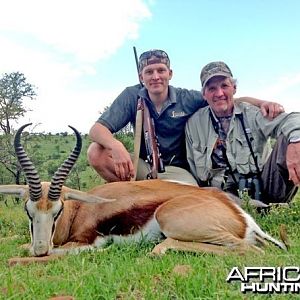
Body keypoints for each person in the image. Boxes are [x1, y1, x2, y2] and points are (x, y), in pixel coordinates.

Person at [88, 49, 284, 185]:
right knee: (96, 152)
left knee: (189, 193)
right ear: (141, 77)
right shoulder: (132, 96)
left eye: (161, 70)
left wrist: (261, 103)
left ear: (170, 74)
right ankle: (132, 200)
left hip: (178, 170)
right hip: (144, 166)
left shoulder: (187, 98)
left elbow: (227, 99)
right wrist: (117, 146)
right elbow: (96, 130)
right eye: (149, 72)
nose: (155, 76)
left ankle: (160, 200)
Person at [185, 61, 300, 204]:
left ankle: (269, 205)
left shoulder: (253, 113)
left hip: (266, 187)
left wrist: (296, 141)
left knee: (291, 137)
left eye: (224, 86)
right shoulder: (194, 124)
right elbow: (194, 171)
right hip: (222, 197)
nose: (219, 93)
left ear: (234, 88)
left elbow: (293, 119)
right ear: (204, 94)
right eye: (212, 88)